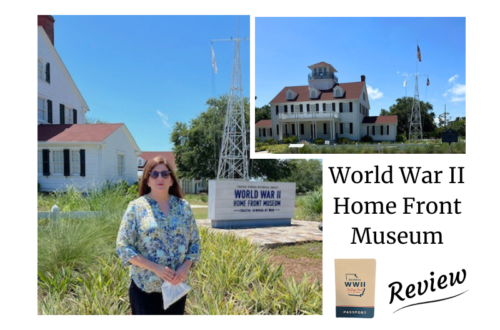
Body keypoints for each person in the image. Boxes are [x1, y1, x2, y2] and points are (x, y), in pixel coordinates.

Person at [116, 156, 201, 315]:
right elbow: (123, 247)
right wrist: (155, 268)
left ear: (171, 180)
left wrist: (185, 266)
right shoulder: (136, 207)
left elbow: (195, 243)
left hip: (176, 288)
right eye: (154, 174)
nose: (159, 178)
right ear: (147, 181)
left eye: (164, 174)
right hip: (145, 289)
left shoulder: (183, 207)